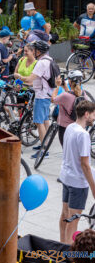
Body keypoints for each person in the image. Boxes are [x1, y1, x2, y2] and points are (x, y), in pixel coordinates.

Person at [58, 101, 95, 244]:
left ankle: (61, 245)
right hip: (78, 182)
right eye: (93, 115)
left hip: (66, 177)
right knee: (73, 220)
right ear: (86, 114)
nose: (93, 118)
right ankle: (68, 252)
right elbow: (85, 164)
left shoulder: (69, 127)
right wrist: (93, 188)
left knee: (65, 215)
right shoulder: (83, 135)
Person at [14, 41, 54, 159]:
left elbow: (30, 78)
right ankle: (45, 144)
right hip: (46, 94)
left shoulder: (41, 63)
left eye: (35, 49)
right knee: (45, 120)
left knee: (39, 122)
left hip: (41, 95)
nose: (33, 51)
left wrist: (19, 77)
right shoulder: (49, 60)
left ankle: (43, 151)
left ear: (38, 51)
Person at [51, 70, 85, 146]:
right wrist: (66, 87)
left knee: (67, 152)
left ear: (69, 81)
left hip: (65, 127)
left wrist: (57, 86)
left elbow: (53, 99)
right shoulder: (83, 93)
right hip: (79, 126)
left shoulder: (65, 96)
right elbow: (72, 95)